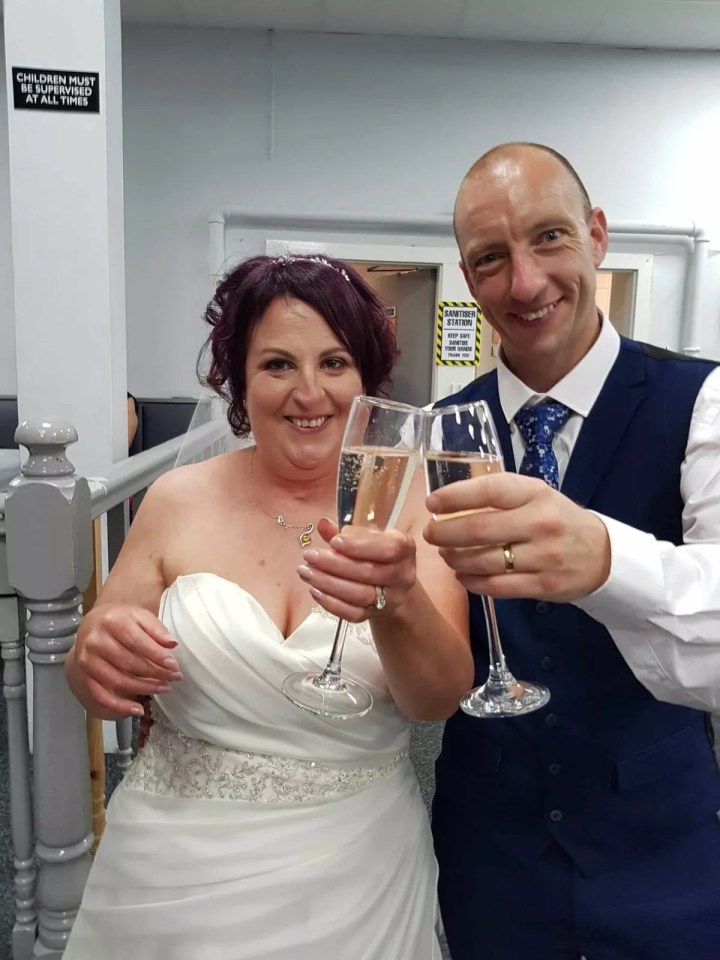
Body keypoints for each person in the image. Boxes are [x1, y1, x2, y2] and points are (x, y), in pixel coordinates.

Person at [63, 253, 472, 960]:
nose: (308, 392)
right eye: (277, 364)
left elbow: (436, 700)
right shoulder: (176, 497)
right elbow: (95, 669)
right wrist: (93, 656)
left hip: (355, 872)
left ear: (366, 379)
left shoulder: (415, 504)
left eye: (335, 363)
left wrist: (396, 600)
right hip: (172, 867)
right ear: (239, 381)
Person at [424, 142, 720, 960]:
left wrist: (605, 561)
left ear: (596, 234)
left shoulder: (702, 400)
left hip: (661, 850)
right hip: (490, 849)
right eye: (491, 258)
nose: (524, 283)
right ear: (467, 273)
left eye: (549, 237)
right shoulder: (439, 428)